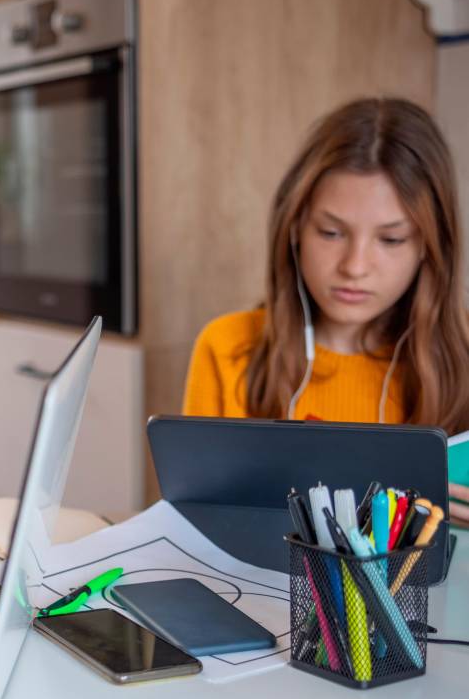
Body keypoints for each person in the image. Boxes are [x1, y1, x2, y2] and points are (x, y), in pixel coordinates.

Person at [182, 96, 469, 521]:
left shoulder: (462, 362)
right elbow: (190, 525)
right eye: (331, 232)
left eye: (391, 240)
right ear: (295, 226)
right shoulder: (228, 348)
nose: (354, 267)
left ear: (429, 245)